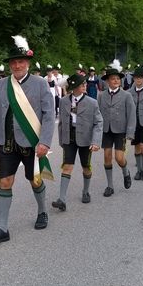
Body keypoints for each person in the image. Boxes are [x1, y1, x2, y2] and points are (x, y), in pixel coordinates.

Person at [0, 35, 54, 244]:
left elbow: (49, 114)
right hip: (8, 142)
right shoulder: (2, 83)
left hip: (31, 142)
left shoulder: (40, 84)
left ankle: (42, 211)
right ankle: (3, 228)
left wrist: (44, 142)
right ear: (10, 65)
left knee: (35, 179)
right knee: (5, 181)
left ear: (28, 63)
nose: (17, 65)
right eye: (13, 62)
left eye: (21, 61)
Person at [52, 73, 102, 210]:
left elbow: (99, 122)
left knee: (86, 166)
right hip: (69, 137)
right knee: (67, 166)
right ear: (74, 87)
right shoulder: (63, 101)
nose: (85, 86)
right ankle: (61, 199)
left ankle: (86, 191)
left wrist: (96, 141)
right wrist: (62, 139)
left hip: (86, 139)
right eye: (82, 85)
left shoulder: (92, 103)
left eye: (85, 84)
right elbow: (61, 122)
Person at [97, 60, 136, 197]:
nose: (116, 81)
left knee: (119, 158)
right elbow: (97, 114)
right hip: (106, 130)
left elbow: (131, 115)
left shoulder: (126, 95)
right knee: (107, 156)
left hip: (120, 130)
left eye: (118, 78)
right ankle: (110, 186)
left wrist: (130, 132)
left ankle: (126, 172)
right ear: (107, 81)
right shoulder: (101, 95)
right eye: (113, 79)